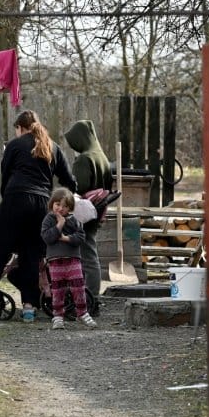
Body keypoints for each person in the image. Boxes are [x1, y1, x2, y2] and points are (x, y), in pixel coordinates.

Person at [0, 109, 77, 322]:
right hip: (41, 204)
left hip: (16, 199)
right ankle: (29, 308)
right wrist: (65, 204)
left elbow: (5, 178)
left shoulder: (14, 145)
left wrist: (9, 200)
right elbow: (69, 181)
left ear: (20, 128)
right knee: (31, 255)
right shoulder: (54, 147)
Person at [63, 119, 120, 316]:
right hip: (98, 210)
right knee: (89, 253)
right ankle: (88, 297)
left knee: (87, 255)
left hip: (85, 211)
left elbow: (79, 187)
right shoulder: (101, 156)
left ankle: (91, 299)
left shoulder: (84, 159)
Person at [41, 188, 97, 330]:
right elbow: (47, 237)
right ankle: (58, 316)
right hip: (55, 261)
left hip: (73, 260)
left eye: (65, 206)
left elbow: (81, 237)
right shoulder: (48, 220)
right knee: (58, 290)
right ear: (52, 204)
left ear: (70, 208)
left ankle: (82, 312)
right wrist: (59, 225)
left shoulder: (74, 221)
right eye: (58, 204)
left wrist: (66, 238)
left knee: (78, 287)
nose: (60, 208)